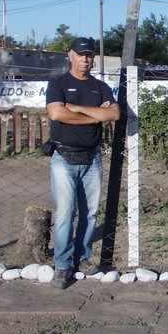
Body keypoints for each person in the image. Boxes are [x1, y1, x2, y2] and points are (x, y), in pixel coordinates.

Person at [45, 36, 120, 289]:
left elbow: (113, 113)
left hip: (92, 157)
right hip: (63, 157)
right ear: (70, 55)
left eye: (89, 55)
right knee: (66, 212)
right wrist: (94, 115)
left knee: (89, 212)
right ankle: (62, 265)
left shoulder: (100, 86)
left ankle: (83, 257)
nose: (85, 59)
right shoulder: (58, 83)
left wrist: (75, 109)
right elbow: (56, 112)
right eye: (80, 54)